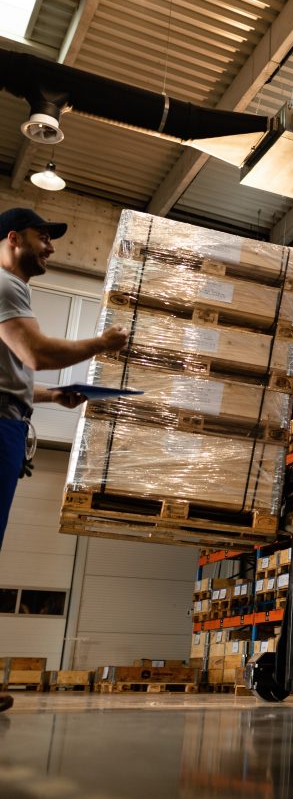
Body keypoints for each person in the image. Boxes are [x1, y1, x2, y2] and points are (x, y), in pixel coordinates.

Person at [0, 208, 128, 713]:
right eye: (43, 237)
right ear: (13, 238)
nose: (50, 247)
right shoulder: (8, 285)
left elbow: (17, 371)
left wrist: (55, 398)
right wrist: (101, 342)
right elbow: (34, 352)